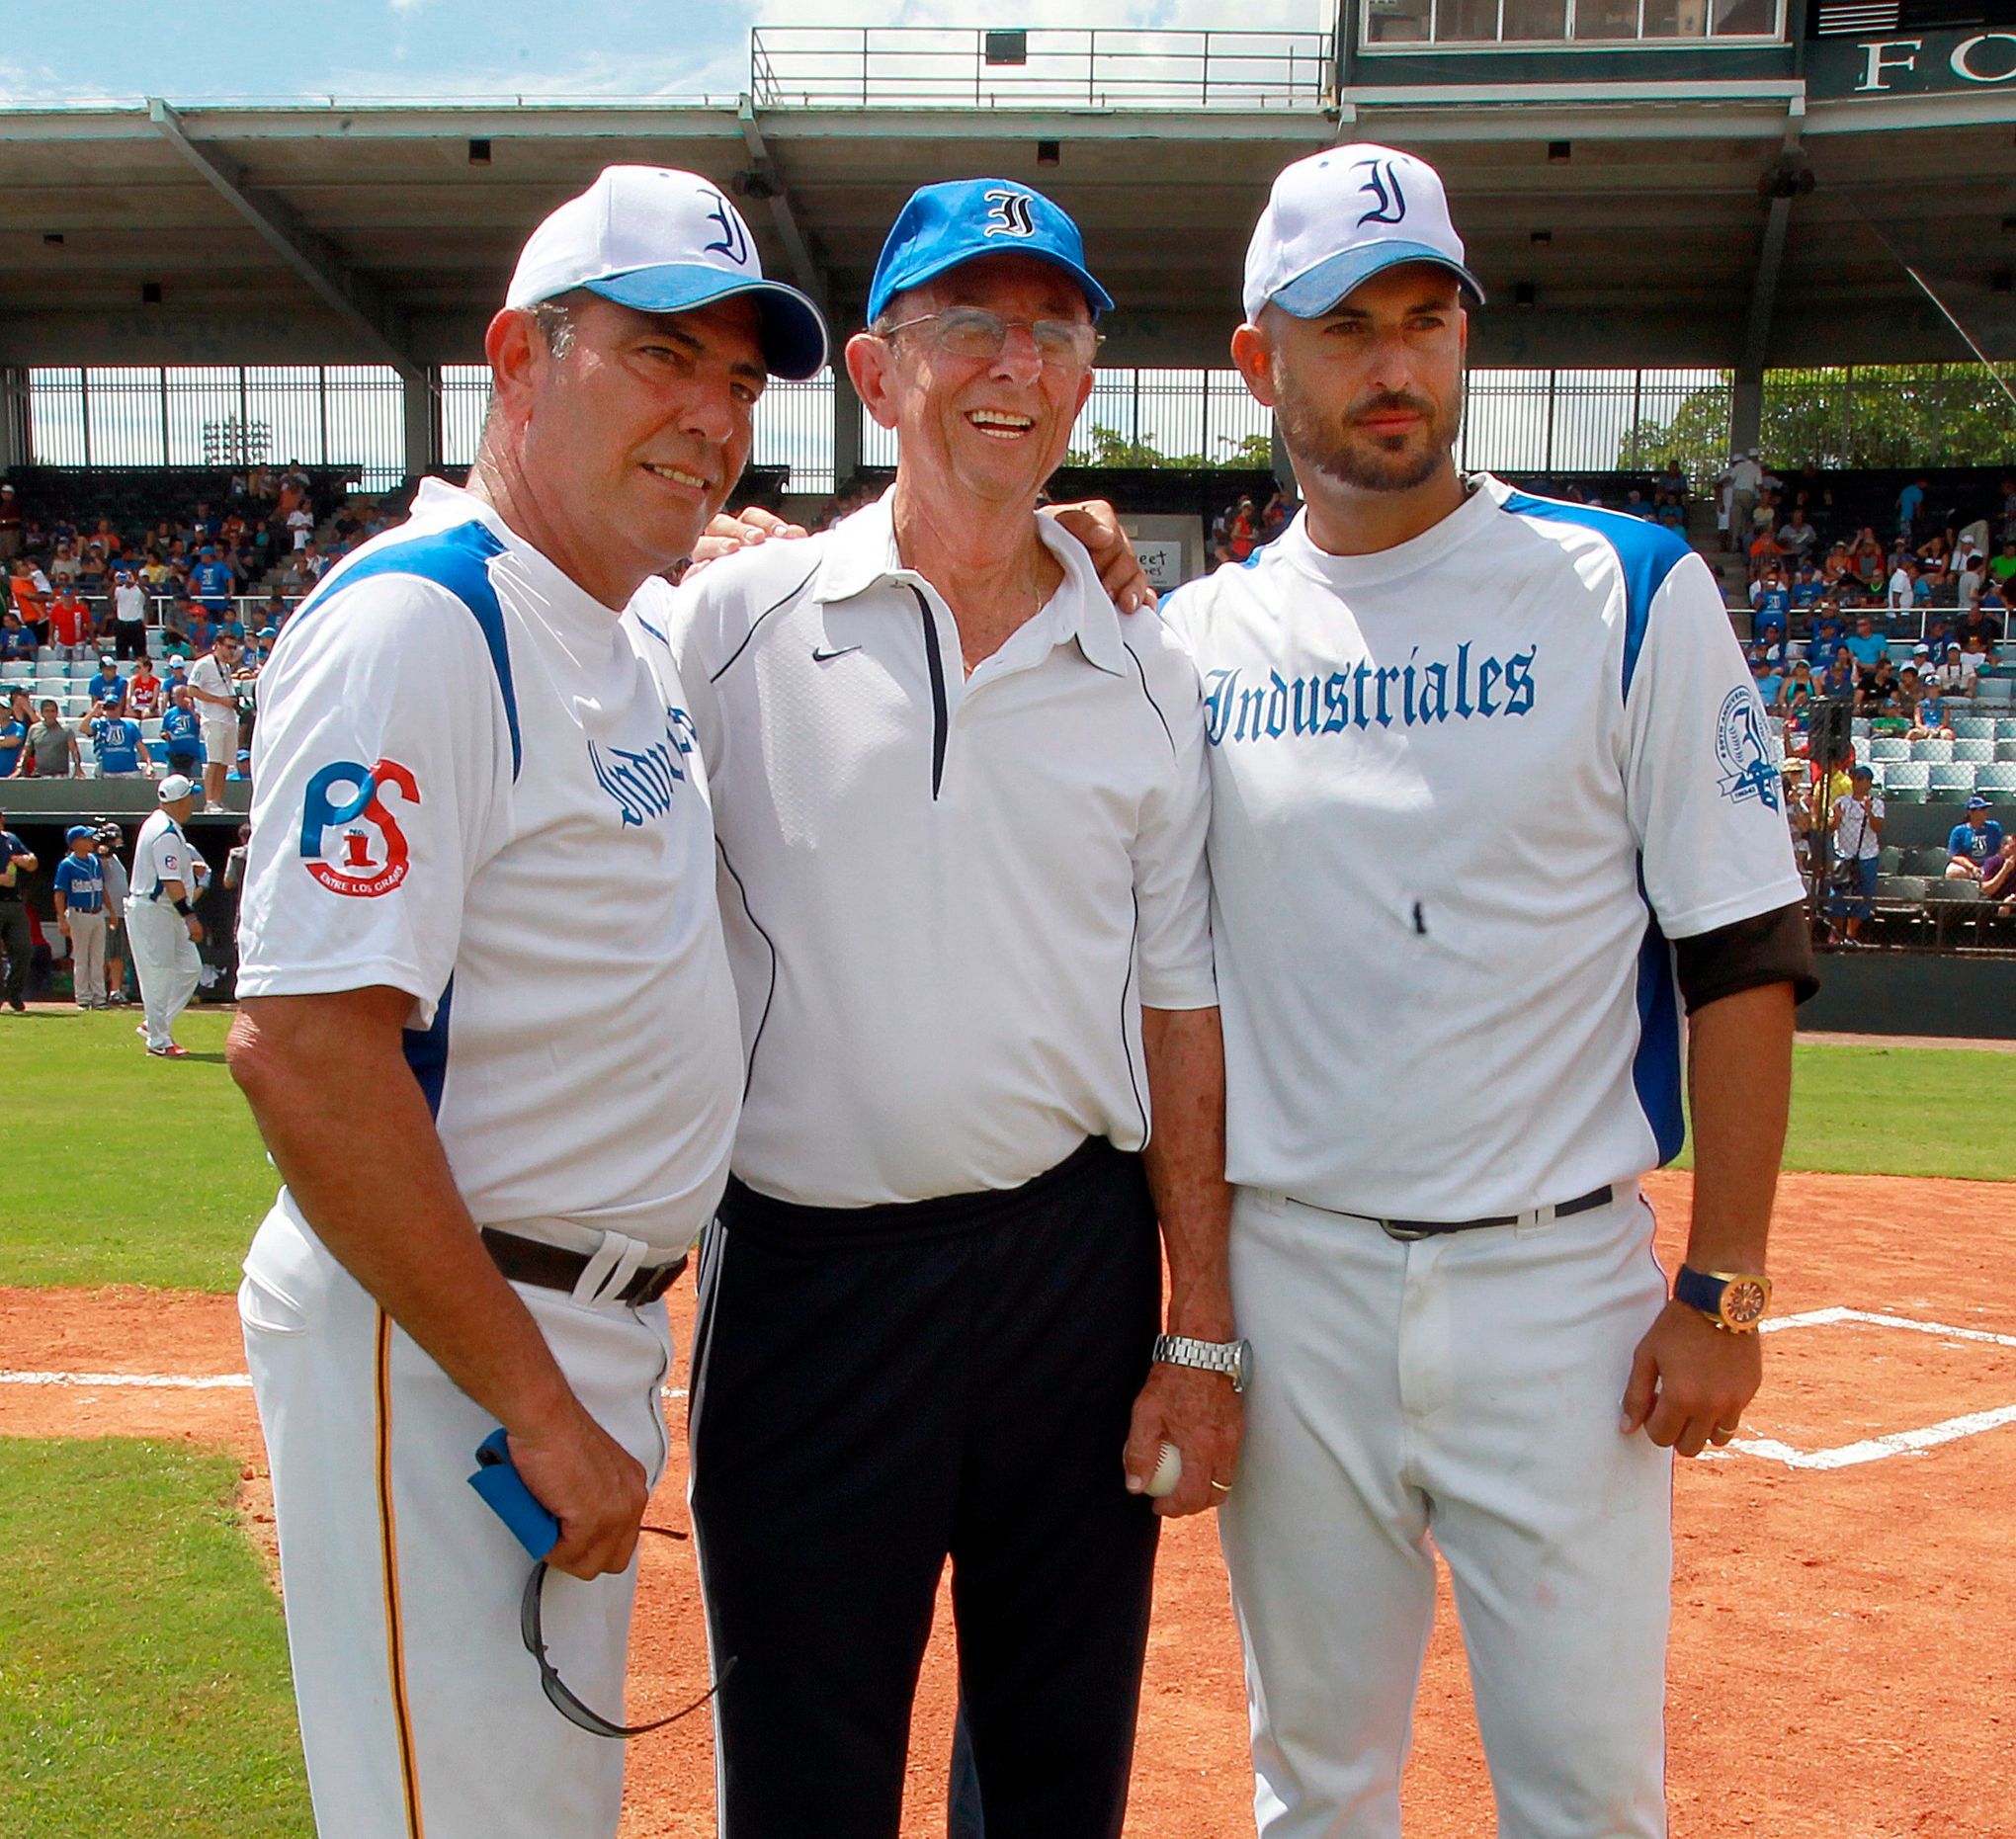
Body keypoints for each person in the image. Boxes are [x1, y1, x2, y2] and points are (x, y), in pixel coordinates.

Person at [1160, 144, 1811, 1839]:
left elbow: (1742, 949)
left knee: (1588, 1794)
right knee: (1314, 1783)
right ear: (1260, 362)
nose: (1394, 364)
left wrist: (1724, 1284)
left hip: (1560, 1296)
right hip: (1296, 1287)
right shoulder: (1195, 645)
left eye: (1428, 319)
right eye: (1347, 325)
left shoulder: (1624, 587)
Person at [226, 165, 827, 1839]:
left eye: (735, 378)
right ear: (519, 357)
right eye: (657, 356)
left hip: (573, 1322)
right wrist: (532, 1401)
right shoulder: (426, 622)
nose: (709, 414)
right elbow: (306, 1054)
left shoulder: (615, 628)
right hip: (449, 1339)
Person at [666, 178, 1231, 1839]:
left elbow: (1180, 1009)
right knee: (802, 1783)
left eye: (1055, 332)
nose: (1017, 362)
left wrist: (1197, 1324)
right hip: (806, 1282)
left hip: (1067, 1274)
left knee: (1058, 1777)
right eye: (970, 325)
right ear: (877, 371)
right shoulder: (722, 621)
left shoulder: (1150, 660)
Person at [127, 774, 206, 1054]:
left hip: (162, 907)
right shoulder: (165, 831)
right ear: (181, 800)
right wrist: (190, 916)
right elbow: (170, 881)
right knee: (158, 975)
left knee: (190, 967)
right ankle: (159, 1042)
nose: (193, 802)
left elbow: (172, 871)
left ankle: (154, 1024)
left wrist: (189, 868)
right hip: (154, 909)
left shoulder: (162, 824)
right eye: (190, 796)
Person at [52, 824, 109, 1009]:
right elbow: (59, 893)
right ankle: (83, 998)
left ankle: (100, 998)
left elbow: (102, 887)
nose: (91, 841)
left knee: (98, 958)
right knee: (82, 958)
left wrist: (112, 912)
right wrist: (61, 918)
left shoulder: (94, 860)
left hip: (97, 912)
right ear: (75, 842)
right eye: (86, 839)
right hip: (79, 913)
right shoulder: (67, 864)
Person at [1826, 764, 1884, 944]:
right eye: (1854, 778)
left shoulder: (1877, 804)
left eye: (1860, 778)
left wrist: (1869, 812)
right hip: (1844, 855)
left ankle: (1852, 934)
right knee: (1838, 896)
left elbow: (1878, 828)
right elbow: (1829, 829)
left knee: (1864, 896)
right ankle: (1836, 934)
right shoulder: (1842, 802)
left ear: (1868, 782)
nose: (1856, 782)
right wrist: (1836, 819)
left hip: (1867, 856)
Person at [187, 631, 241, 807]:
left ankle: (217, 800)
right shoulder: (204, 664)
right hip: (213, 718)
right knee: (214, 761)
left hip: (228, 718)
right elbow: (192, 690)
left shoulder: (225, 666)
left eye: (234, 647)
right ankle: (209, 801)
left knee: (225, 763)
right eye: (228, 647)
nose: (231, 651)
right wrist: (220, 701)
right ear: (217, 645)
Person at [0, 815, 35, 1012]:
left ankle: (12, 992)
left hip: (14, 902)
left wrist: (27, 861)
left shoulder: (10, 840)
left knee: (23, 948)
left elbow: (33, 862)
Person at [97, 825, 130, 1007]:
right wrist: (102, 852)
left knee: (118, 954)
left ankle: (115, 991)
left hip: (120, 913)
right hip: (105, 913)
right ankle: (98, 991)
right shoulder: (99, 857)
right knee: (103, 954)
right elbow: (99, 878)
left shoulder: (116, 859)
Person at [1946, 796, 2003, 880]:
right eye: (1982, 809)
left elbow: (2001, 850)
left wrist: (1989, 866)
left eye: (1985, 808)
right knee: (1953, 872)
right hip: (1967, 867)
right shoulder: (1959, 831)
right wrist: (1972, 867)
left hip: (1990, 865)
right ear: (1971, 812)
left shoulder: (1994, 827)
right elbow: (1955, 856)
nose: (1986, 812)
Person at [90, 701, 152, 779]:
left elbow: (140, 746)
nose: (111, 710)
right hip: (107, 771)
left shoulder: (130, 725)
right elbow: (83, 729)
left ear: (118, 707)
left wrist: (149, 764)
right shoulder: (98, 724)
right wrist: (94, 711)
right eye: (108, 707)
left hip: (129, 770)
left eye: (113, 707)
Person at [23, 699, 81, 778]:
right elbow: (26, 751)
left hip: (60, 775)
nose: (50, 714)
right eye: (47, 711)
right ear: (42, 713)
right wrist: (21, 768)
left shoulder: (66, 730)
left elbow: (74, 751)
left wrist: (78, 768)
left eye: (52, 711)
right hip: (39, 775)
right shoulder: (34, 729)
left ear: (57, 713)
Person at [110, 565, 150, 660]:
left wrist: (136, 582)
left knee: (140, 654)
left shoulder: (140, 590)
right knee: (121, 653)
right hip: (122, 624)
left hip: (136, 624)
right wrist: (115, 583)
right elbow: (109, 596)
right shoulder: (119, 590)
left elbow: (147, 595)